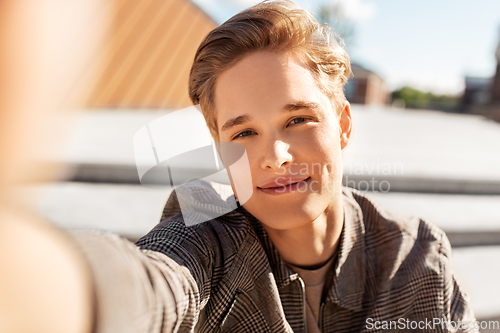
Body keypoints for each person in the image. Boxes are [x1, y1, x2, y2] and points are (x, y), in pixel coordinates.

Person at [1, 0, 477, 332]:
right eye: (244, 132)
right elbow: (149, 284)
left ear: (344, 125)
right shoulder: (201, 224)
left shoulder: (416, 260)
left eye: (298, 119)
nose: (276, 157)